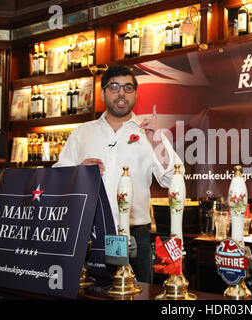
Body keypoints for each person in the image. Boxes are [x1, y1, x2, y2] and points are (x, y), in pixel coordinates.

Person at [53, 65, 182, 282]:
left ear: (135, 94)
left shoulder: (149, 130)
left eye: (128, 88)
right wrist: (79, 173)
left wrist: (158, 141)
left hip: (136, 238)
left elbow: (172, 179)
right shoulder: (83, 132)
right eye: (114, 87)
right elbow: (57, 180)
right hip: (89, 235)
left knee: (140, 296)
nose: (121, 93)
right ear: (103, 92)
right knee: (91, 295)